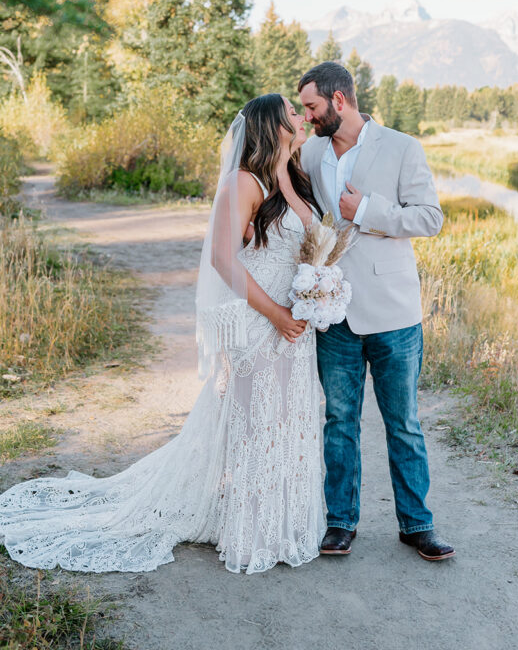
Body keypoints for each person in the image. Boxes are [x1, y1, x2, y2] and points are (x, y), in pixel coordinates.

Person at [0, 94, 325, 575]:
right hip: (263, 323)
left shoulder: (289, 179)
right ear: (271, 125)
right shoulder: (243, 182)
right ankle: (252, 531)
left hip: (295, 331)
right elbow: (222, 258)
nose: (302, 118)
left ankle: (283, 525)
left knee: (286, 423)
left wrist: (318, 293)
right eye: (292, 113)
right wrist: (276, 313)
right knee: (257, 426)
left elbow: (312, 243)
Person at [299, 62, 454, 561]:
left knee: (403, 423)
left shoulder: (403, 147)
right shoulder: (311, 151)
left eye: (312, 107)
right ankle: (340, 522)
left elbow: (430, 218)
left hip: (394, 315)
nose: (307, 117)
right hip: (334, 315)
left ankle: (417, 525)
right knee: (339, 422)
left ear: (339, 101)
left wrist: (366, 210)